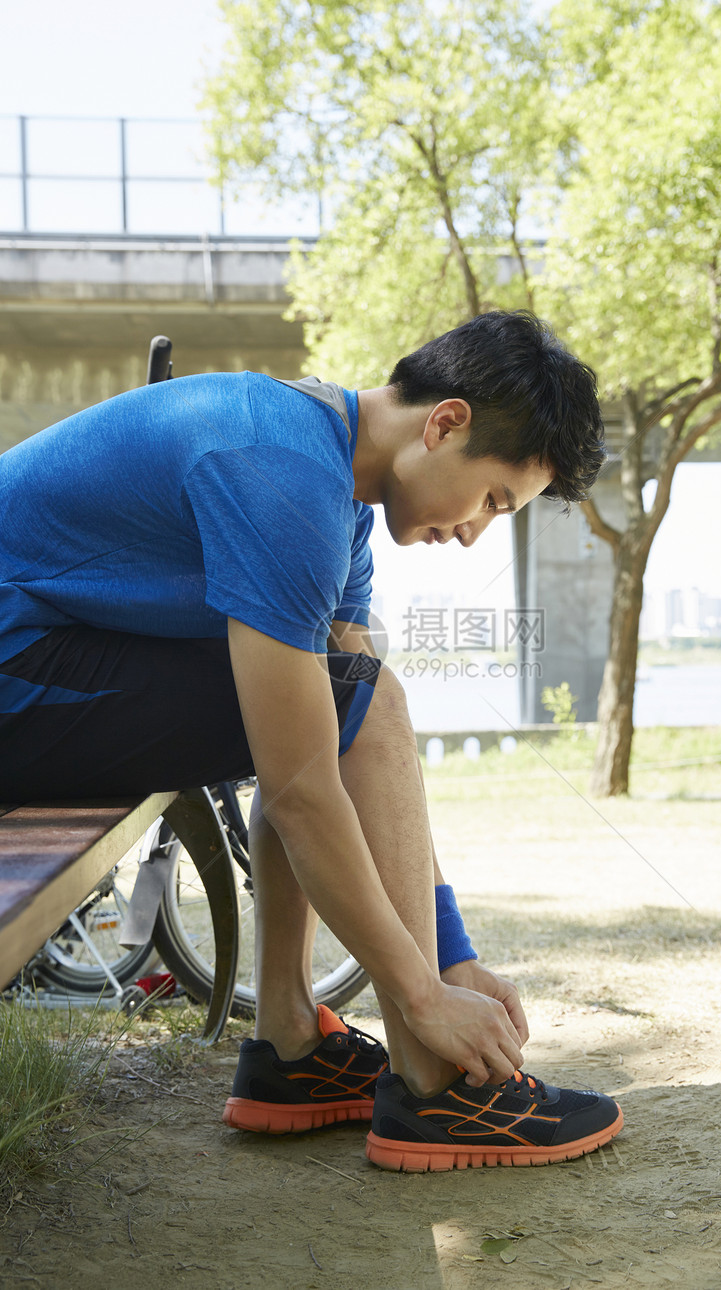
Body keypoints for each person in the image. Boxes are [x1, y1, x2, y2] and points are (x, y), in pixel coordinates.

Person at [0, 309, 623, 1171]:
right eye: (490, 499)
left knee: (343, 703)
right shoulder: (284, 471)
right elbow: (303, 782)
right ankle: (433, 1086)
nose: (477, 530)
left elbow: (353, 730)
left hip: (41, 661)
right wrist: (424, 994)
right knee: (346, 712)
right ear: (445, 423)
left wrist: (453, 955)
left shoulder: (338, 496)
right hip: (14, 667)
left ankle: (289, 1044)